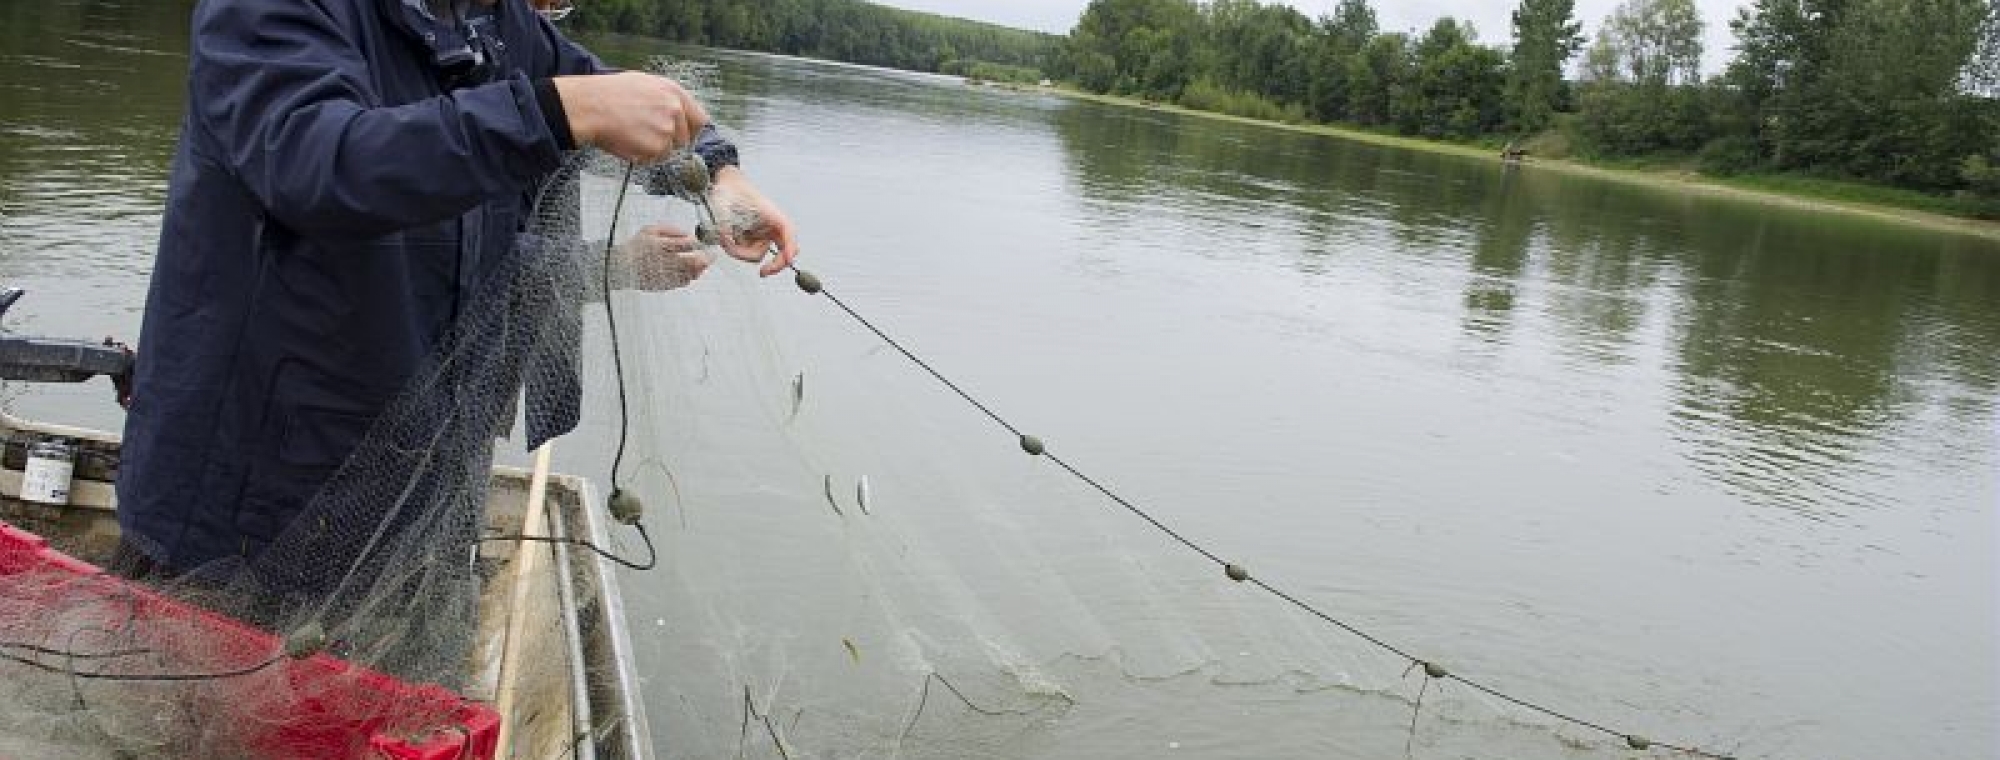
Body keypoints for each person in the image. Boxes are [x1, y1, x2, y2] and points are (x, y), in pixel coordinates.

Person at [114, 0, 799, 580]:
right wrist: (553, 113)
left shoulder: (499, 25)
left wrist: (717, 173)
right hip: (245, 508)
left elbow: (631, 112)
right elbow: (317, 164)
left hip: (417, 500)